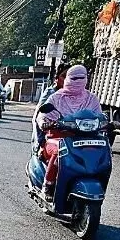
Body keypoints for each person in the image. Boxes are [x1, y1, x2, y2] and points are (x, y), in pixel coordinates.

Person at [35, 64, 102, 200]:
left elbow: (99, 116)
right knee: (60, 151)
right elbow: (41, 115)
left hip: (83, 139)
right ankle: (47, 186)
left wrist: (107, 123)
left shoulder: (91, 98)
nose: (77, 81)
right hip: (58, 137)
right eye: (74, 78)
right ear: (67, 79)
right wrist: (45, 123)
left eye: (81, 78)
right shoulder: (56, 97)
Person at [32, 63, 70, 152]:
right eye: (64, 76)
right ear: (56, 78)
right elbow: (39, 116)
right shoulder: (51, 93)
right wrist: (40, 142)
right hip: (52, 133)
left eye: (70, 77)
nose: (67, 80)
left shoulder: (81, 95)